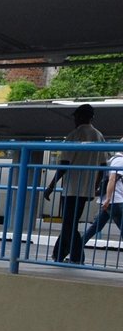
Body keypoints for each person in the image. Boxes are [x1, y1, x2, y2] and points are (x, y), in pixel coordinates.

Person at [45, 103, 105, 264]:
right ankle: (58, 253)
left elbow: (64, 163)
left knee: (69, 223)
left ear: (79, 117)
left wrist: (51, 186)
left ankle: (77, 257)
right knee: (70, 222)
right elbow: (103, 166)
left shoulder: (74, 135)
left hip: (72, 188)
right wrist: (95, 186)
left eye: (76, 116)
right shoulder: (99, 136)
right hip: (87, 189)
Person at [80, 147, 123, 256]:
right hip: (115, 201)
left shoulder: (113, 159)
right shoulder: (119, 160)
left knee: (96, 227)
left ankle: (75, 250)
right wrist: (108, 198)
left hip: (110, 202)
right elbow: (112, 179)